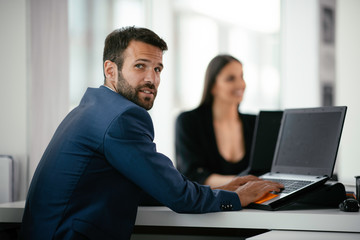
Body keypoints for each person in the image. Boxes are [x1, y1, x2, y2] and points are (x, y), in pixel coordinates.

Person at [20, 27, 282, 240]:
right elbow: (178, 196)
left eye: (157, 69)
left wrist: (222, 188)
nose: (152, 79)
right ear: (111, 70)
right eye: (140, 66)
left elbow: (154, 186)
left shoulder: (93, 108)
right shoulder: (121, 117)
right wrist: (237, 197)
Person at [176, 54, 256, 188]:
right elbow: (192, 175)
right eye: (231, 79)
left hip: (255, 205)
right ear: (213, 86)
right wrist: (243, 183)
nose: (240, 84)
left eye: (241, 76)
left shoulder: (255, 123)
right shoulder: (189, 121)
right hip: (208, 205)